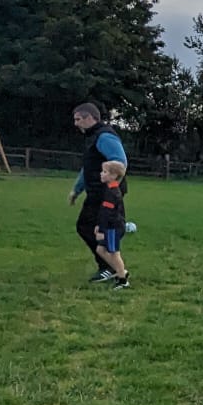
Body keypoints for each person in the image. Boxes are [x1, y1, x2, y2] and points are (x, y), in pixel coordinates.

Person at [68, 101, 128, 282]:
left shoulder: (105, 137)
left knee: (93, 228)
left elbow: (121, 163)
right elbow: (88, 168)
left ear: (90, 118)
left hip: (106, 194)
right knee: (90, 228)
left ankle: (111, 268)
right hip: (95, 192)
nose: (75, 123)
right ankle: (113, 268)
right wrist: (76, 190)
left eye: (78, 119)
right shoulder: (93, 137)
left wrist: (112, 188)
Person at [92, 159, 130, 289]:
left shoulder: (113, 193)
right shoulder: (109, 190)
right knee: (100, 250)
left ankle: (123, 281)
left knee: (114, 254)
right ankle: (121, 271)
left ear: (113, 176)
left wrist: (102, 231)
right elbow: (104, 212)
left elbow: (109, 215)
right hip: (109, 227)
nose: (101, 174)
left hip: (113, 228)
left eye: (105, 172)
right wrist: (98, 225)